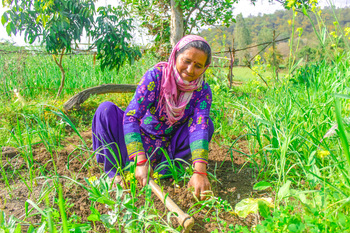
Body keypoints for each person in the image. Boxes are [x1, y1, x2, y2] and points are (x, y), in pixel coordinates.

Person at [92, 35, 214, 200]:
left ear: (205, 68)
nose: (190, 70)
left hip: (168, 149)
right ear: (176, 55)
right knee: (105, 110)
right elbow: (131, 118)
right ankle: (114, 173)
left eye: (198, 66)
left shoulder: (202, 91)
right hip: (137, 141)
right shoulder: (156, 77)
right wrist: (140, 161)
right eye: (186, 61)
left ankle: (167, 171)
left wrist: (200, 171)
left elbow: (199, 128)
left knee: (207, 125)